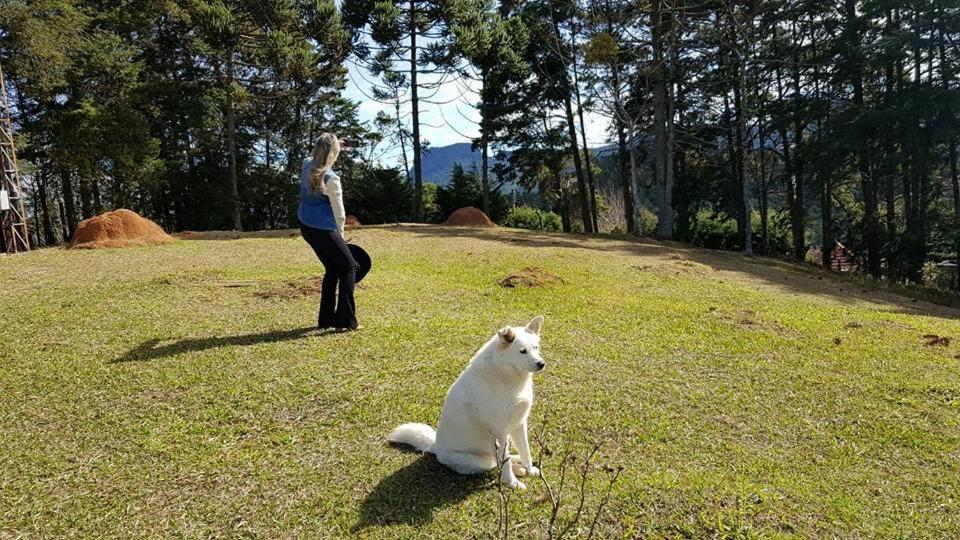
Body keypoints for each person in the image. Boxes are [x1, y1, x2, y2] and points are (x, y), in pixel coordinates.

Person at [298, 133, 359, 331]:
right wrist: (340, 238)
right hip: (323, 229)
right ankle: (345, 321)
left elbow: (319, 157)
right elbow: (340, 214)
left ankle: (326, 320)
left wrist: (336, 144)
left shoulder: (307, 164)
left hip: (306, 226)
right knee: (350, 267)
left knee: (332, 269)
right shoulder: (332, 179)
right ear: (334, 153)